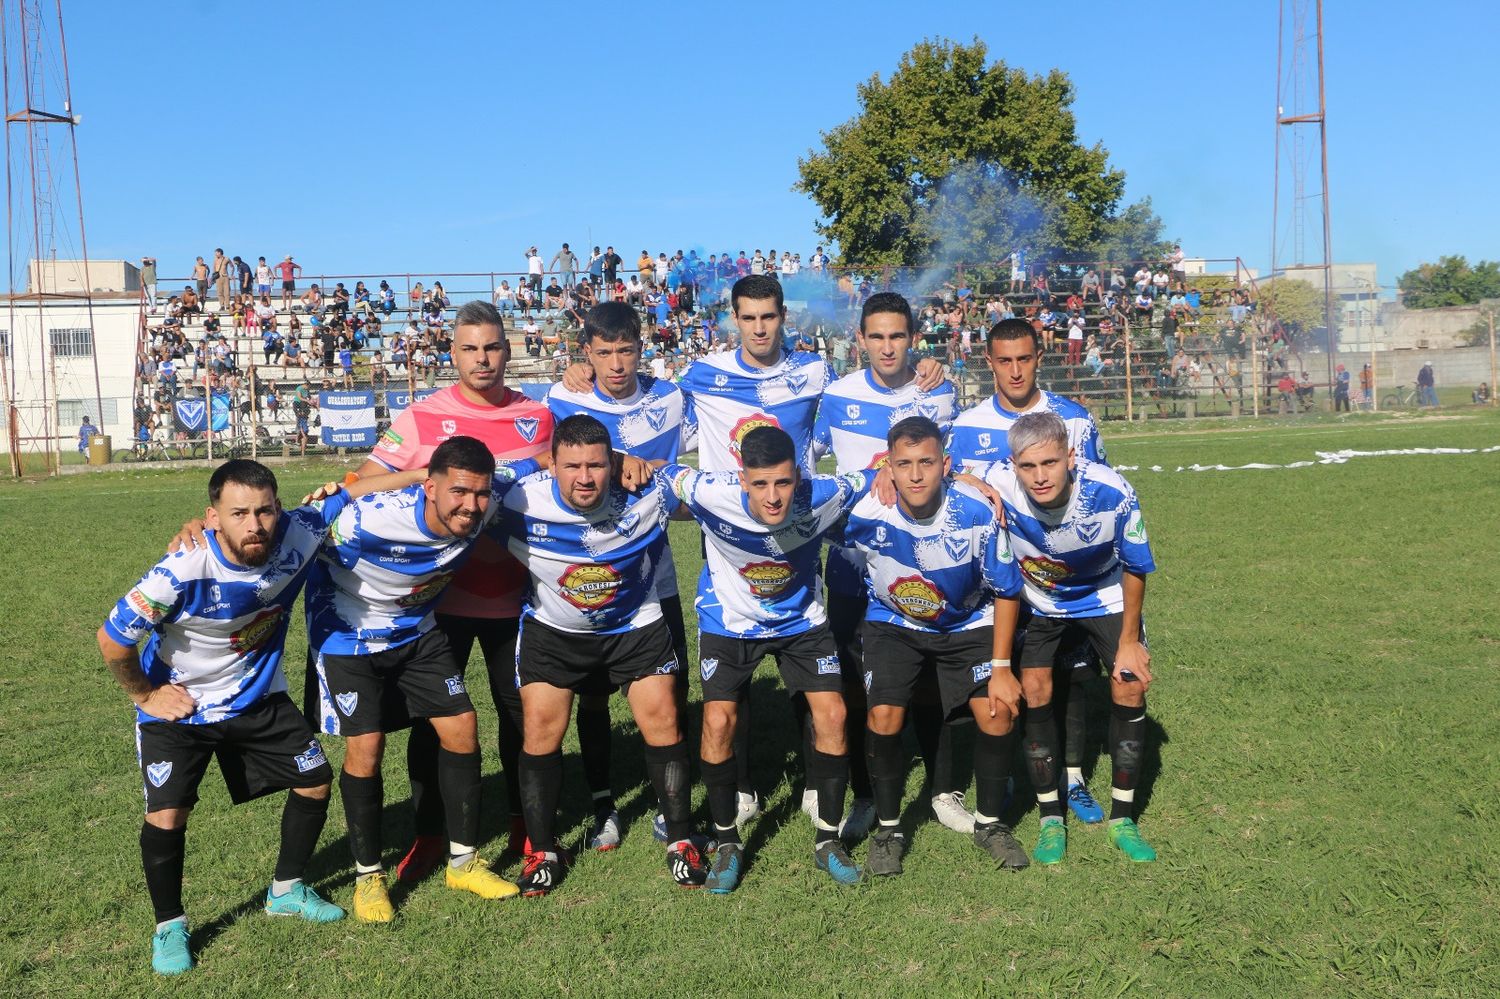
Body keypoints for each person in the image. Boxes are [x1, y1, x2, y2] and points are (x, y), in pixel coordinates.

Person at [100, 461, 408, 974]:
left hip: (255, 698)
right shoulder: (181, 568)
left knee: (314, 780)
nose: (255, 524)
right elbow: (112, 638)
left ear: (278, 508)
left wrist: (428, 473)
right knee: (167, 815)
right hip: (183, 707)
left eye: (264, 510)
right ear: (212, 516)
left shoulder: (300, 532)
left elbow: (358, 490)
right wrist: (147, 694)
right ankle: (169, 926)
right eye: (239, 513)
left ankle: (286, 890)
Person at [349, 301, 561, 880]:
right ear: (452, 354)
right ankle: (430, 833)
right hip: (437, 602)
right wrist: (424, 473)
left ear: (508, 350)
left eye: (492, 347)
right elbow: (363, 486)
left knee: (519, 714)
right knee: (432, 721)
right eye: (470, 349)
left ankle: (524, 823)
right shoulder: (421, 417)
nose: (482, 359)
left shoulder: (536, 418)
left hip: (516, 598)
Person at [307, 437, 540, 921]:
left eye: (479, 494)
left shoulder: (488, 494)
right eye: (458, 493)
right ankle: (368, 877)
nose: (471, 505)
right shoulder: (367, 519)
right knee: (366, 748)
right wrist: (203, 526)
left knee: (462, 729)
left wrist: (625, 461)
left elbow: (539, 460)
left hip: (417, 631)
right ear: (430, 488)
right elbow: (281, 527)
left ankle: (463, 863)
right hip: (348, 636)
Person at [499, 414, 706, 893]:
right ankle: (543, 851)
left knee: (665, 722)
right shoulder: (518, 500)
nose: (585, 477)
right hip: (554, 632)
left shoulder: (646, 493)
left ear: (612, 464)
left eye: (596, 464)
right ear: (551, 464)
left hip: (636, 626)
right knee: (541, 732)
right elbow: (452, 488)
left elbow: (712, 488)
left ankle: (680, 841)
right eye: (572, 466)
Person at [664, 426, 877, 891]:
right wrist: (625, 461)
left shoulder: (823, 493)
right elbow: (659, 475)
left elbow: (880, 473)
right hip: (729, 621)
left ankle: (828, 840)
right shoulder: (707, 490)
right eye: (760, 484)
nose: (773, 496)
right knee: (718, 723)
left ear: (799, 477)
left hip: (802, 621)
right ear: (742, 479)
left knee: (834, 714)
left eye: (782, 482)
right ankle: (726, 843)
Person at [841, 417, 1027, 875]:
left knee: (997, 710)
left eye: (927, 462)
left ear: (946, 464)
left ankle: (990, 824)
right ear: (888, 467)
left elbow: (1007, 591)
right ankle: (889, 829)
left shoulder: (978, 510)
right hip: (893, 622)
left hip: (968, 622)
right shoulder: (864, 511)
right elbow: (799, 510)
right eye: (904, 464)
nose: (917, 474)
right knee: (883, 715)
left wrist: (1002, 666)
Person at [946, 317, 1111, 825]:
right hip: (998, 581)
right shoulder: (967, 424)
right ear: (989, 362)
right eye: (1004, 361)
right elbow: (950, 487)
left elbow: (1098, 486)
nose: (1015, 371)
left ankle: (1073, 778)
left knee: (1074, 676)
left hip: (1065, 576)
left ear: (1040, 358)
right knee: (1010, 677)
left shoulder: (1075, 419)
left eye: (1024, 359)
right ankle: (1022, 770)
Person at [978, 412, 1159, 864]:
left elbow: (1136, 565)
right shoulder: (997, 480)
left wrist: (1130, 640)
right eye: (1028, 467)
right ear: (1012, 464)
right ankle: (1049, 818)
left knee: (1129, 682)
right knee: (1035, 688)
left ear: (1071, 457)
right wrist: (967, 479)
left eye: (1050, 463)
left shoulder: (1112, 490)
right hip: (1042, 600)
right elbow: (941, 473)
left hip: (1105, 594)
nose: (1039, 477)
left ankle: (1122, 818)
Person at [811, 292, 961, 839]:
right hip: (853, 566)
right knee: (852, 682)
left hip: (924, 564)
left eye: (897, 336)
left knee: (926, 678)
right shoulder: (837, 395)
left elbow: (956, 461)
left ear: (913, 338)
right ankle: (867, 792)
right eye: (876, 336)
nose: (887, 346)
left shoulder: (938, 392)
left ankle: (944, 789)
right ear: (861, 341)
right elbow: (809, 466)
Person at [544, 302, 689, 847]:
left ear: (642, 346)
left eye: (625, 350)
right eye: (603, 353)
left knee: (668, 692)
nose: (615, 363)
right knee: (595, 696)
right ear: (587, 354)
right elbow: (542, 457)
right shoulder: (563, 397)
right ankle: (603, 801)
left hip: (654, 572)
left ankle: (666, 802)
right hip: (584, 570)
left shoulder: (673, 395)